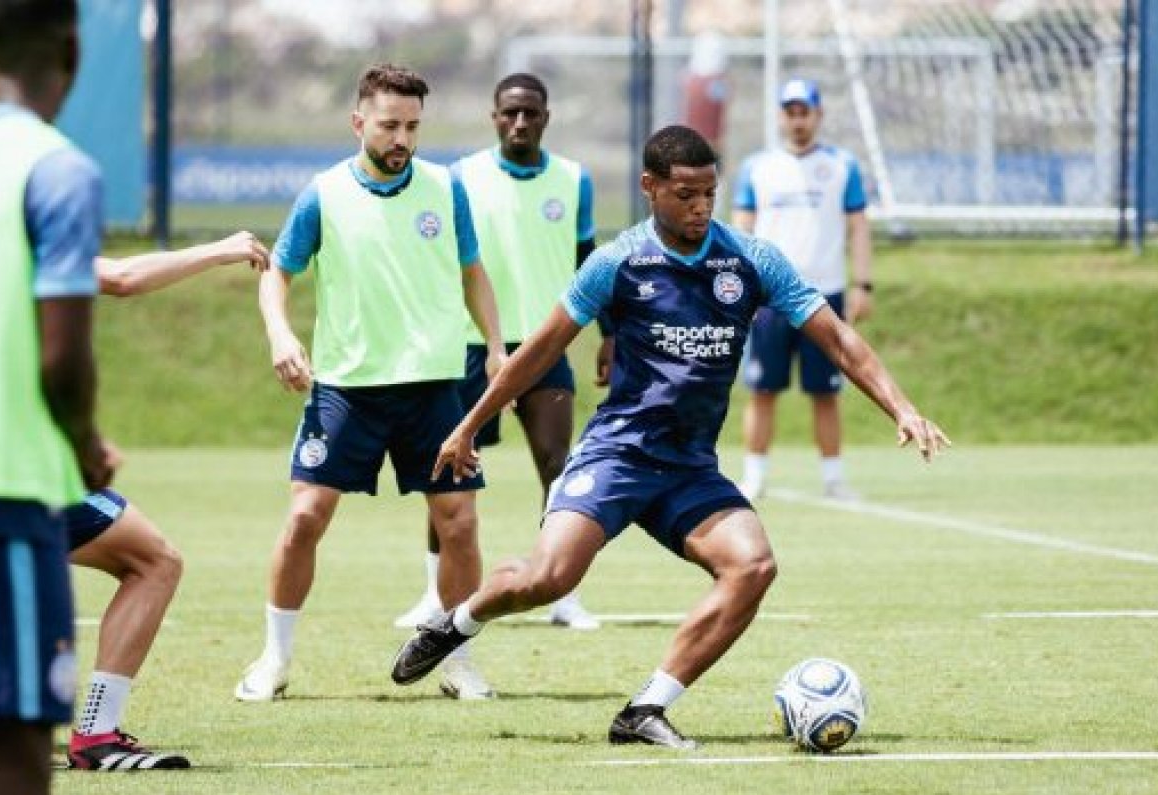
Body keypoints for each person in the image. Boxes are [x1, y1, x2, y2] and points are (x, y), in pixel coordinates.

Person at [390, 125, 949, 748]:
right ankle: (458, 622)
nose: (701, 206)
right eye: (686, 194)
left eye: (710, 192)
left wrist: (901, 406)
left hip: (688, 468)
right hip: (617, 454)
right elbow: (540, 349)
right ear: (650, 187)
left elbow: (839, 338)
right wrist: (469, 424)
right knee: (548, 579)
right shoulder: (617, 262)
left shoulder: (751, 260)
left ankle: (646, 707)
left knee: (753, 565)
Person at [236, 63, 507, 704]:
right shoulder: (323, 194)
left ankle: (457, 661)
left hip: (434, 385)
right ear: (359, 122)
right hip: (346, 388)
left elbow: (473, 271)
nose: (401, 138)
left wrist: (495, 347)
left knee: (459, 524)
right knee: (304, 518)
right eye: (389, 125)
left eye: (412, 126)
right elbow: (278, 272)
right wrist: (280, 333)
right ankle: (273, 660)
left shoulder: (445, 188)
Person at [394, 73, 600, 632]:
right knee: (448, 471)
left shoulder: (574, 180)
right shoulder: (461, 177)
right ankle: (434, 597)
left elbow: (590, 264)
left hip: (544, 343)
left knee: (560, 468)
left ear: (546, 117)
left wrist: (609, 336)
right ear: (494, 117)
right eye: (509, 113)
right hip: (467, 344)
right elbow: (438, 259)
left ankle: (563, 593)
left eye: (530, 113)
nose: (520, 122)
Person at [65, 232, 269, 771]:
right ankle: (95, 734)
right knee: (153, 561)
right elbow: (120, 279)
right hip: (19, 467)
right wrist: (218, 249)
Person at [0, 0, 117, 793]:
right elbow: (62, 355)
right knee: (17, 745)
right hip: (11, 493)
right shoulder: (57, 169)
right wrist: (86, 447)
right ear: (69, 50)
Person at [734, 77, 874, 502]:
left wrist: (862, 283)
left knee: (826, 392)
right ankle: (754, 477)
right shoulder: (758, 167)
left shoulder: (841, 165)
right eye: (790, 112)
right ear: (780, 116)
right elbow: (743, 229)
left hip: (824, 296)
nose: (797, 120)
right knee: (762, 390)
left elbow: (858, 227)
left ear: (818, 115)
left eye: (804, 111)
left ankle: (833, 478)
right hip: (770, 299)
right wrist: (745, 289)